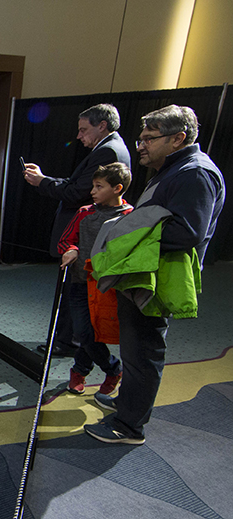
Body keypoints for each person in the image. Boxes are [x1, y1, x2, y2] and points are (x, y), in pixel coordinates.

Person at [84, 105, 225, 444]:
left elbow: (186, 232)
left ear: (178, 138)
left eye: (150, 138)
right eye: (141, 138)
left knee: (144, 351)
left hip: (157, 279)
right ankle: (128, 405)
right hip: (142, 274)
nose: (141, 145)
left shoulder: (195, 174)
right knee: (134, 350)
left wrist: (128, 231)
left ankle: (128, 427)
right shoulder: (174, 168)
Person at [23, 104, 131, 357]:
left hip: (85, 237)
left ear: (102, 125)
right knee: (75, 292)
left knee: (74, 293)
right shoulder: (110, 148)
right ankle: (69, 339)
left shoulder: (108, 152)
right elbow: (77, 185)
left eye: (84, 130)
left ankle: (68, 342)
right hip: (88, 235)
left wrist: (42, 183)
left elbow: (77, 193)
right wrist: (45, 180)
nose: (80, 136)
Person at [57, 163, 132, 396]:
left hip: (108, 287)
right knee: (84, 332)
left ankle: (79, 370)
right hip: (81, 283)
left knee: (94, 333)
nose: (93, 191)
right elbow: (65, 240)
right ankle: (112, 368)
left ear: (117, 188)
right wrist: (71, 249)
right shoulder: (85, 212)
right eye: (93, 186)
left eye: (99, 187)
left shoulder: (130, 217)